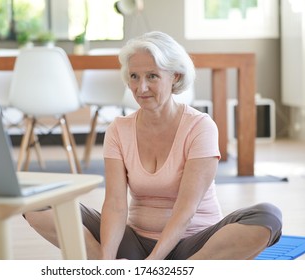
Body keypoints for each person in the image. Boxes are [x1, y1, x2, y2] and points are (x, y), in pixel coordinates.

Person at [23, 31, 282, 260]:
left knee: (268, 216)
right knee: (35, 201)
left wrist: (154, 263)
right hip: (134, 243)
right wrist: (106, 259)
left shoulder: (200, 126)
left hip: (194, 245)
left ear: (175, 77)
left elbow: (186, 209)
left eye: (152, 76)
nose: (141, 87)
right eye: (134, 76)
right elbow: (114, 204)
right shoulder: (118, 129)